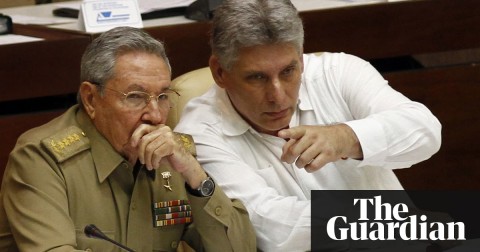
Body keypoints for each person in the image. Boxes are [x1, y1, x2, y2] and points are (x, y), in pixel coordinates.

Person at [174, 0, 442, 251]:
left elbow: (426, 132)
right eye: (257, 77)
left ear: (301, 59)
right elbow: (270, 229)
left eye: (288, 71)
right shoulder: (199, 132)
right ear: (220, 72)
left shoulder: (337, 72)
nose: (277, 95)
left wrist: (347, 137)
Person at [0, 26, 256, 251]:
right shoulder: (40, 160)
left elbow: (239, 249)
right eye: (135, 97)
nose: (156, 116)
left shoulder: (175, 159)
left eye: (163, 96)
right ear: (91, 99)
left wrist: (195, 175)